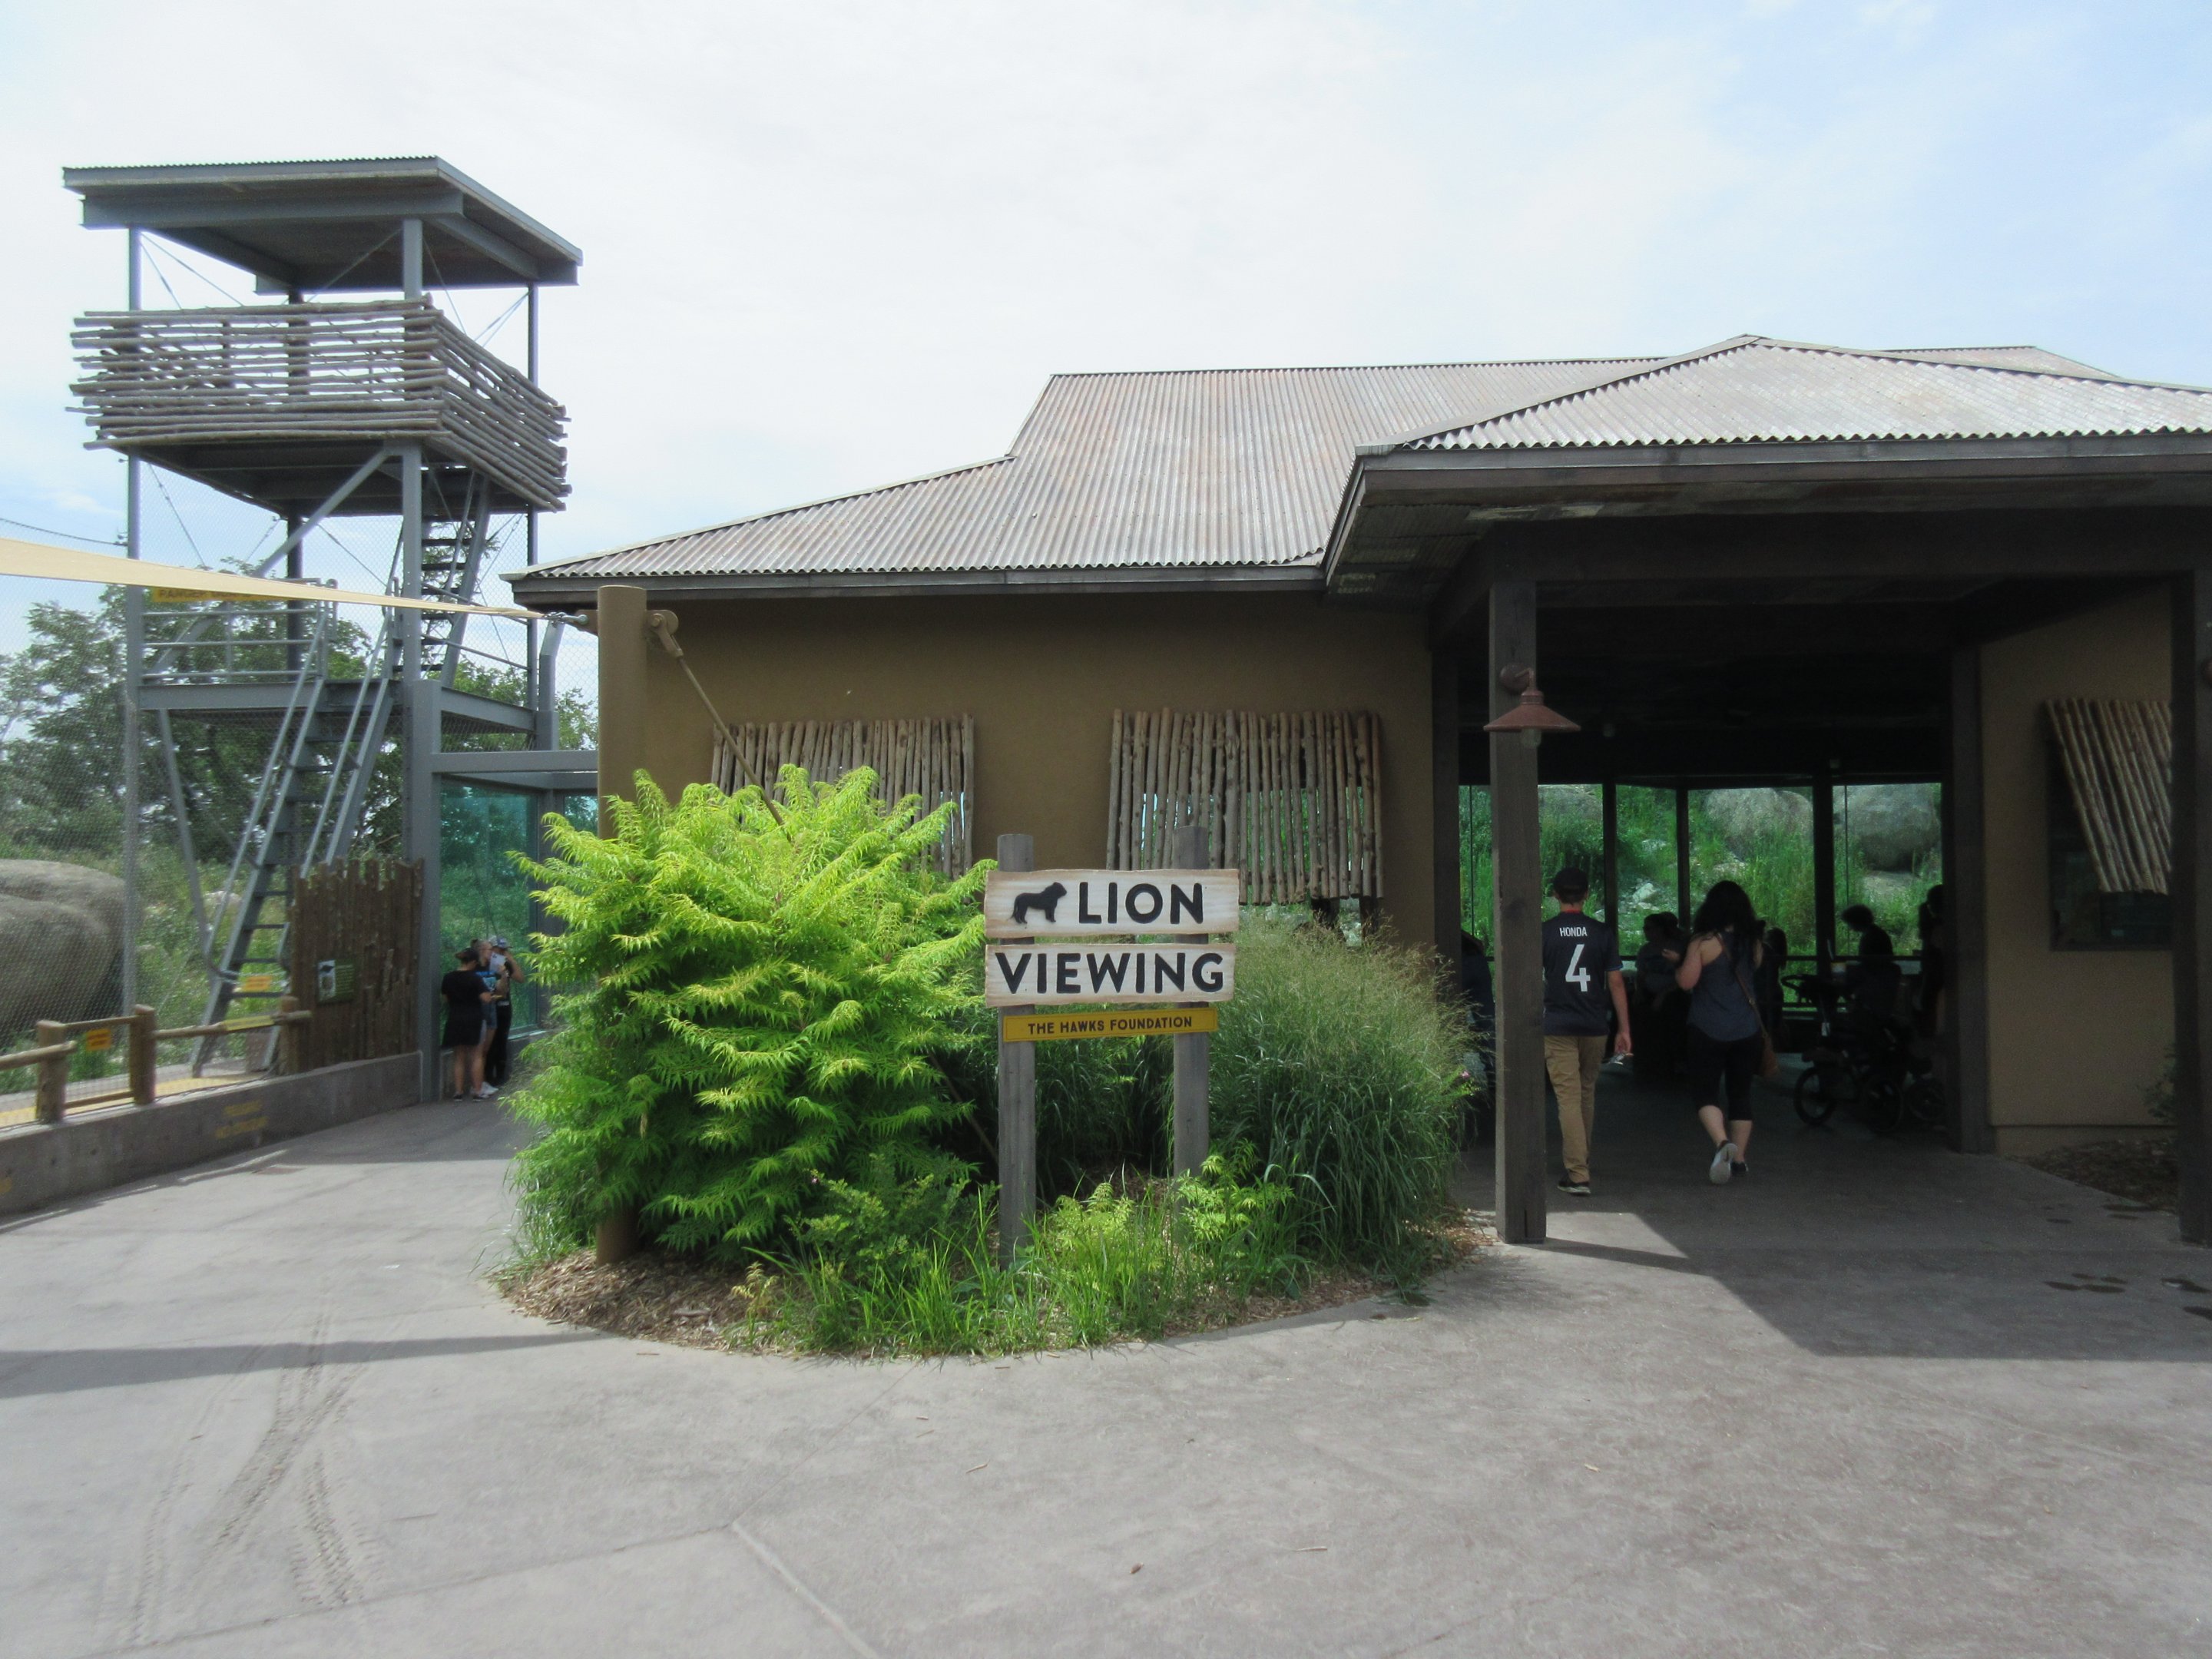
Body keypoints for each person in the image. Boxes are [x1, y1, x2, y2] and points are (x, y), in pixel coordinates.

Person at [1540, 867, 1631, 1197]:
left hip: (1558, 1024)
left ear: (1555, 894)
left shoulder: (1545, 932)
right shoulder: (1602, 933)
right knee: (1586, 1092)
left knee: (1567, 1097)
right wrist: (1624, 1028)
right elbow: (1616, 982)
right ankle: (1582, 1158)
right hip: (1594, 1024)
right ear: (1587, 895)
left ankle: (1578, 1174)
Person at [1676, 879, 1767, 1184]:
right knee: (1740, 1094)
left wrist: (1678, 964)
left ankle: (1722, 1142)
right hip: (1747, 1030)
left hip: (1708, 1028)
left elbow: (1687, 983)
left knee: (1705, 1092)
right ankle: (1739, 1161)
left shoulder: (1702, 942)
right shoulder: (1753, 942)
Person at [441, 946, 495, 1101]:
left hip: (455, 1018)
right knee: (476, 1056)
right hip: (474, 1018)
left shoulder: (448, 977)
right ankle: (478, 1091)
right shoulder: (475, 978)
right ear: (472, 962)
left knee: (458, 1057)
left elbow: (445, 998)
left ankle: (458, 1092)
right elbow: (486, 998)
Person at [485, 935, 525, 1087]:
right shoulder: (484, 964)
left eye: (504, 950)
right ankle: (487, 1076)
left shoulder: (505, 963)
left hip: (504, 1007)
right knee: (489, 1044)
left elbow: (520, 978)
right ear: (492, 949)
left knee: (501, 1041)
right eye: (500, 950)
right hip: (489, 1007)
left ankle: (501, 1076)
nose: (502, 953)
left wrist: (511, 959)